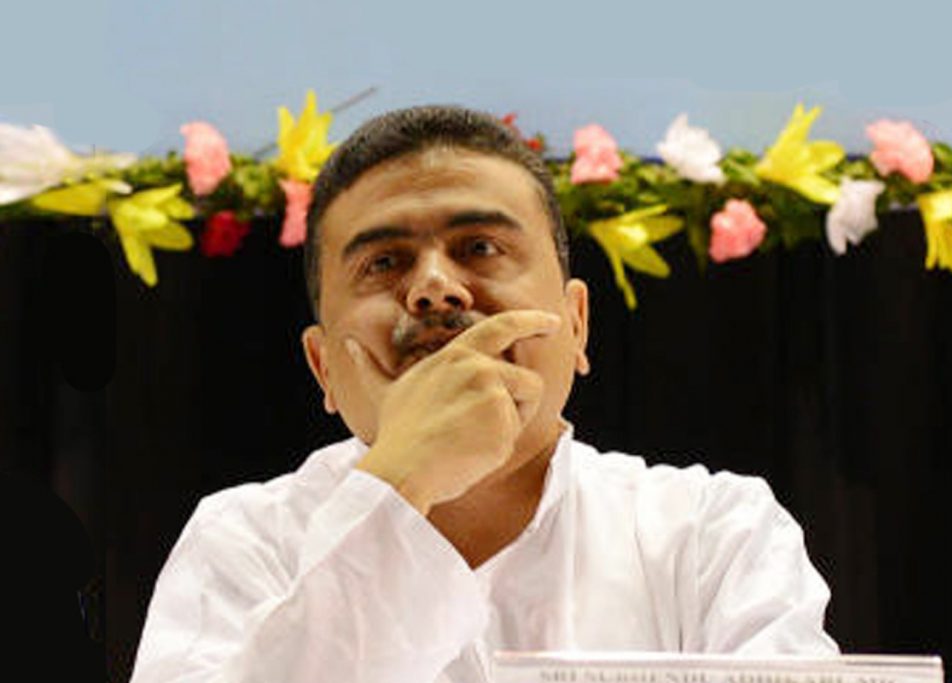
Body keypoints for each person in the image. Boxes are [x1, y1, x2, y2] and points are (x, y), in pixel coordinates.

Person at [130, 106, 838, 683]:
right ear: (323, 369)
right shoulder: (242, 543)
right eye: (384, 261)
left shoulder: (714, 535)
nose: (435, 289)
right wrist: (400, 481)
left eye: (481, 248)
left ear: (577, 323)